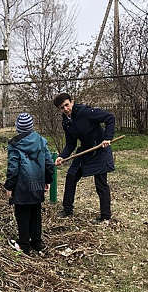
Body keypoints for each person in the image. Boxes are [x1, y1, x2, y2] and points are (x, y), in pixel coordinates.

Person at [53, 93, 115, 223]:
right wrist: (62, 156)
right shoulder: (66, 121)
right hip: (86, 150)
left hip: (100, 149)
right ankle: (67, 209)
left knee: (100, 183)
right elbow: (71, 143)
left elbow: (110, 118)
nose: (65, 109)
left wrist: (107, 138)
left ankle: (105, 216)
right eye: (62, 108)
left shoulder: (85, 112)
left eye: (66, 105)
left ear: (72, 102)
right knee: (71, 175)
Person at [4, 113, 54, 255]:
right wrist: (47, 180)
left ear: (18, 128)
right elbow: (49, 163)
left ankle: (24, 244)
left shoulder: (14, 144)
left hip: (22, 185)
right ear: (31, 126)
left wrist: (9, 186)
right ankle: (37, 242)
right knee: (35, 211)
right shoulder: (41, 140)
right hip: (37, 182)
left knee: (22, 213)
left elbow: (13, 168)